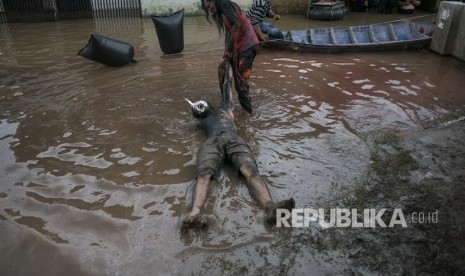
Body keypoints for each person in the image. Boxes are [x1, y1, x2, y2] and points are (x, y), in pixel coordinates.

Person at [181, 61, 294, 231]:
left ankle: (270, 208)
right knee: (204, 175)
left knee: (250, 171)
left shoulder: (224, 109)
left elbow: (228, 86)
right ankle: (195, 213)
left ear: (208, 106)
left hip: (230, 138)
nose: (199, 108)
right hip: (213, 141)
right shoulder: (201, 123)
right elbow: (185, 131)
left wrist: (229, 64)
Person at [201, 0, 259, 114]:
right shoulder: (222, 9)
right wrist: (227, 52)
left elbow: (236, 24)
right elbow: (230, 32)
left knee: (241, 83)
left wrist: (230, 50)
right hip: (239, 48)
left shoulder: (223, 3)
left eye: (208, 1)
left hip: (247, 46)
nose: (207, 6)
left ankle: (248, 115)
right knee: (222, 69)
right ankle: (225, 104)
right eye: (204, 3)